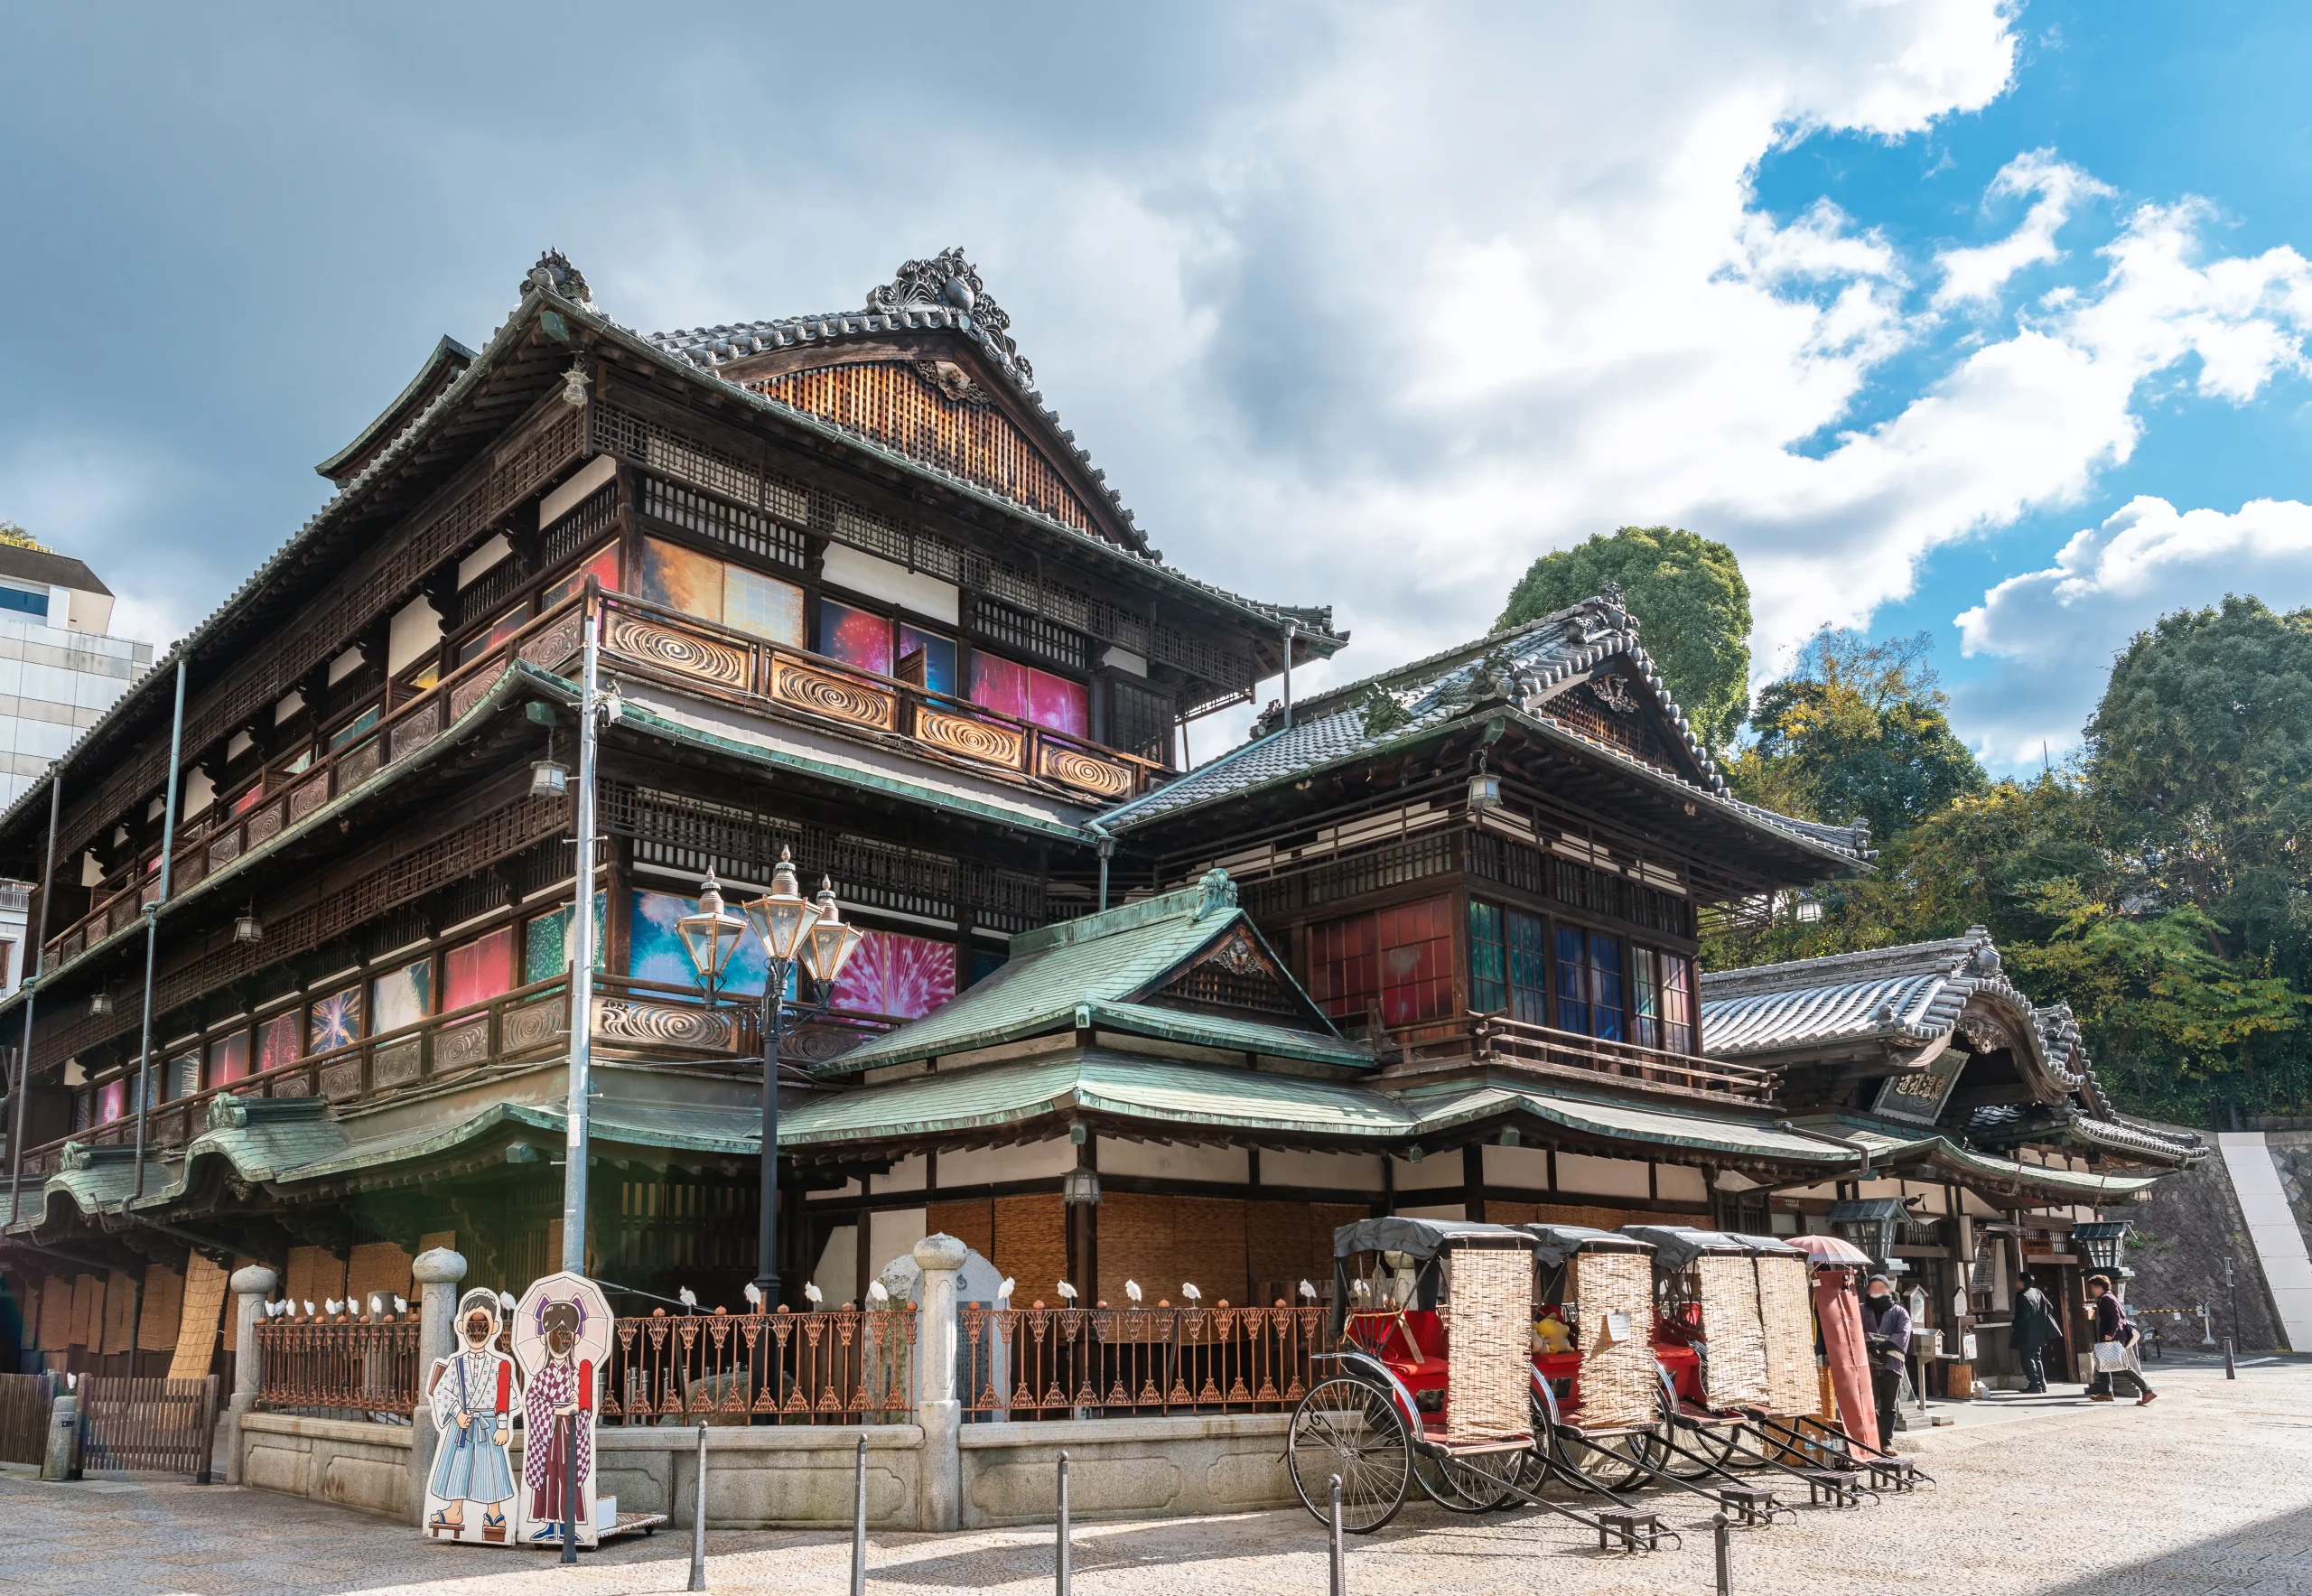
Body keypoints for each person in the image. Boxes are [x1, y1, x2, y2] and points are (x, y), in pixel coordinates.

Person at [2084, 1274, 2155, 1406]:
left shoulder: (2107, 1299)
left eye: (2093, 1287)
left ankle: (2147, 1390)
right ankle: (2106, 1392)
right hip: (2117, 1334)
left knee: (2122, 1366)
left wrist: (2110, 1333)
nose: (2092, 1290)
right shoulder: (2110, 1297)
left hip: (2113, 1335)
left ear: (2100, 1287)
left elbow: (2115, 1317)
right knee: (2102, 1362)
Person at [1859, 1273, 1912, 1445]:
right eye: (1873, 1288)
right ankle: (1870, 1440)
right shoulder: (1861, 1309)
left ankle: (1886, 1442)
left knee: (1889, 1404)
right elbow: (1854, 1328)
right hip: (1867, 1362)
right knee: (1868, 1403)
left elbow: (1903, 1332)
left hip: (1892, 1362)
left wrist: (1883, 1347)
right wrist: (1871, 1347)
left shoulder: (1899, 1311)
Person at [2009, 1279, 2064, 1395]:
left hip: (2026, 1333)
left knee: (2027, 1358)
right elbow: (2049, 1307)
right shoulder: (2038, 1292)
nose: (2016, 1284)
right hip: (2038, 1332)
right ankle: (2042, 1384)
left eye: (2018, 1281)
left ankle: (2035, 1385)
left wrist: (2015, 1324)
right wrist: (2040, 1319)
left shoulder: (2022, 1296)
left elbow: (2023, 1316)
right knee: (2036, 1358)